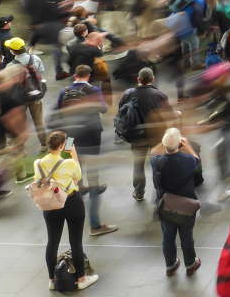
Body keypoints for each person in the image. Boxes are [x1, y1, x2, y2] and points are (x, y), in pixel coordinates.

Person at [53, 65, 117, 237]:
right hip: (91, 135)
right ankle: (95, 225)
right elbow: (103, 109)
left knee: (73, 171)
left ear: (75, 75)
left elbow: (58, 113)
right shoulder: (93, 89)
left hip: (70, 137)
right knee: (94, 176)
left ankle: (78, 201)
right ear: (88, 76)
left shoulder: (64, 91)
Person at [35, 130, 98, 290]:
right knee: (75, 241)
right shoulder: (68, 163)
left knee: (52, 242)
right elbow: (77, 177)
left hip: (50, 205)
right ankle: (82, 279)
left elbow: (39, 182)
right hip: (71, 203)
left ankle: (51, 280)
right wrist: (74, 154)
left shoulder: (38, 163)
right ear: (63, 146)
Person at [150, 127, 203, 276]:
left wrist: (165, 141)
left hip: (166, 206)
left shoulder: (156, 162)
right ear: (180, 143)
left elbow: (153, 151)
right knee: (186, 236)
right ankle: (190, 264)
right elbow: (197, 160)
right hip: (186, 206)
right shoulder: (188, 160)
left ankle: (170, 265)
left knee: (168, 237)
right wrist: (186, 145)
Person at [119, 67, 172, 202]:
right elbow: (169, 115)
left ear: (138, 79)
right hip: (156, 136)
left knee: (138, 165)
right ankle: (160, 193)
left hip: (137, 137)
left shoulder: (128, 94)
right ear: (152, 79)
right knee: (158, 165)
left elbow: (121, 114)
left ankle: (139, 192)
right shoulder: (159, 95)